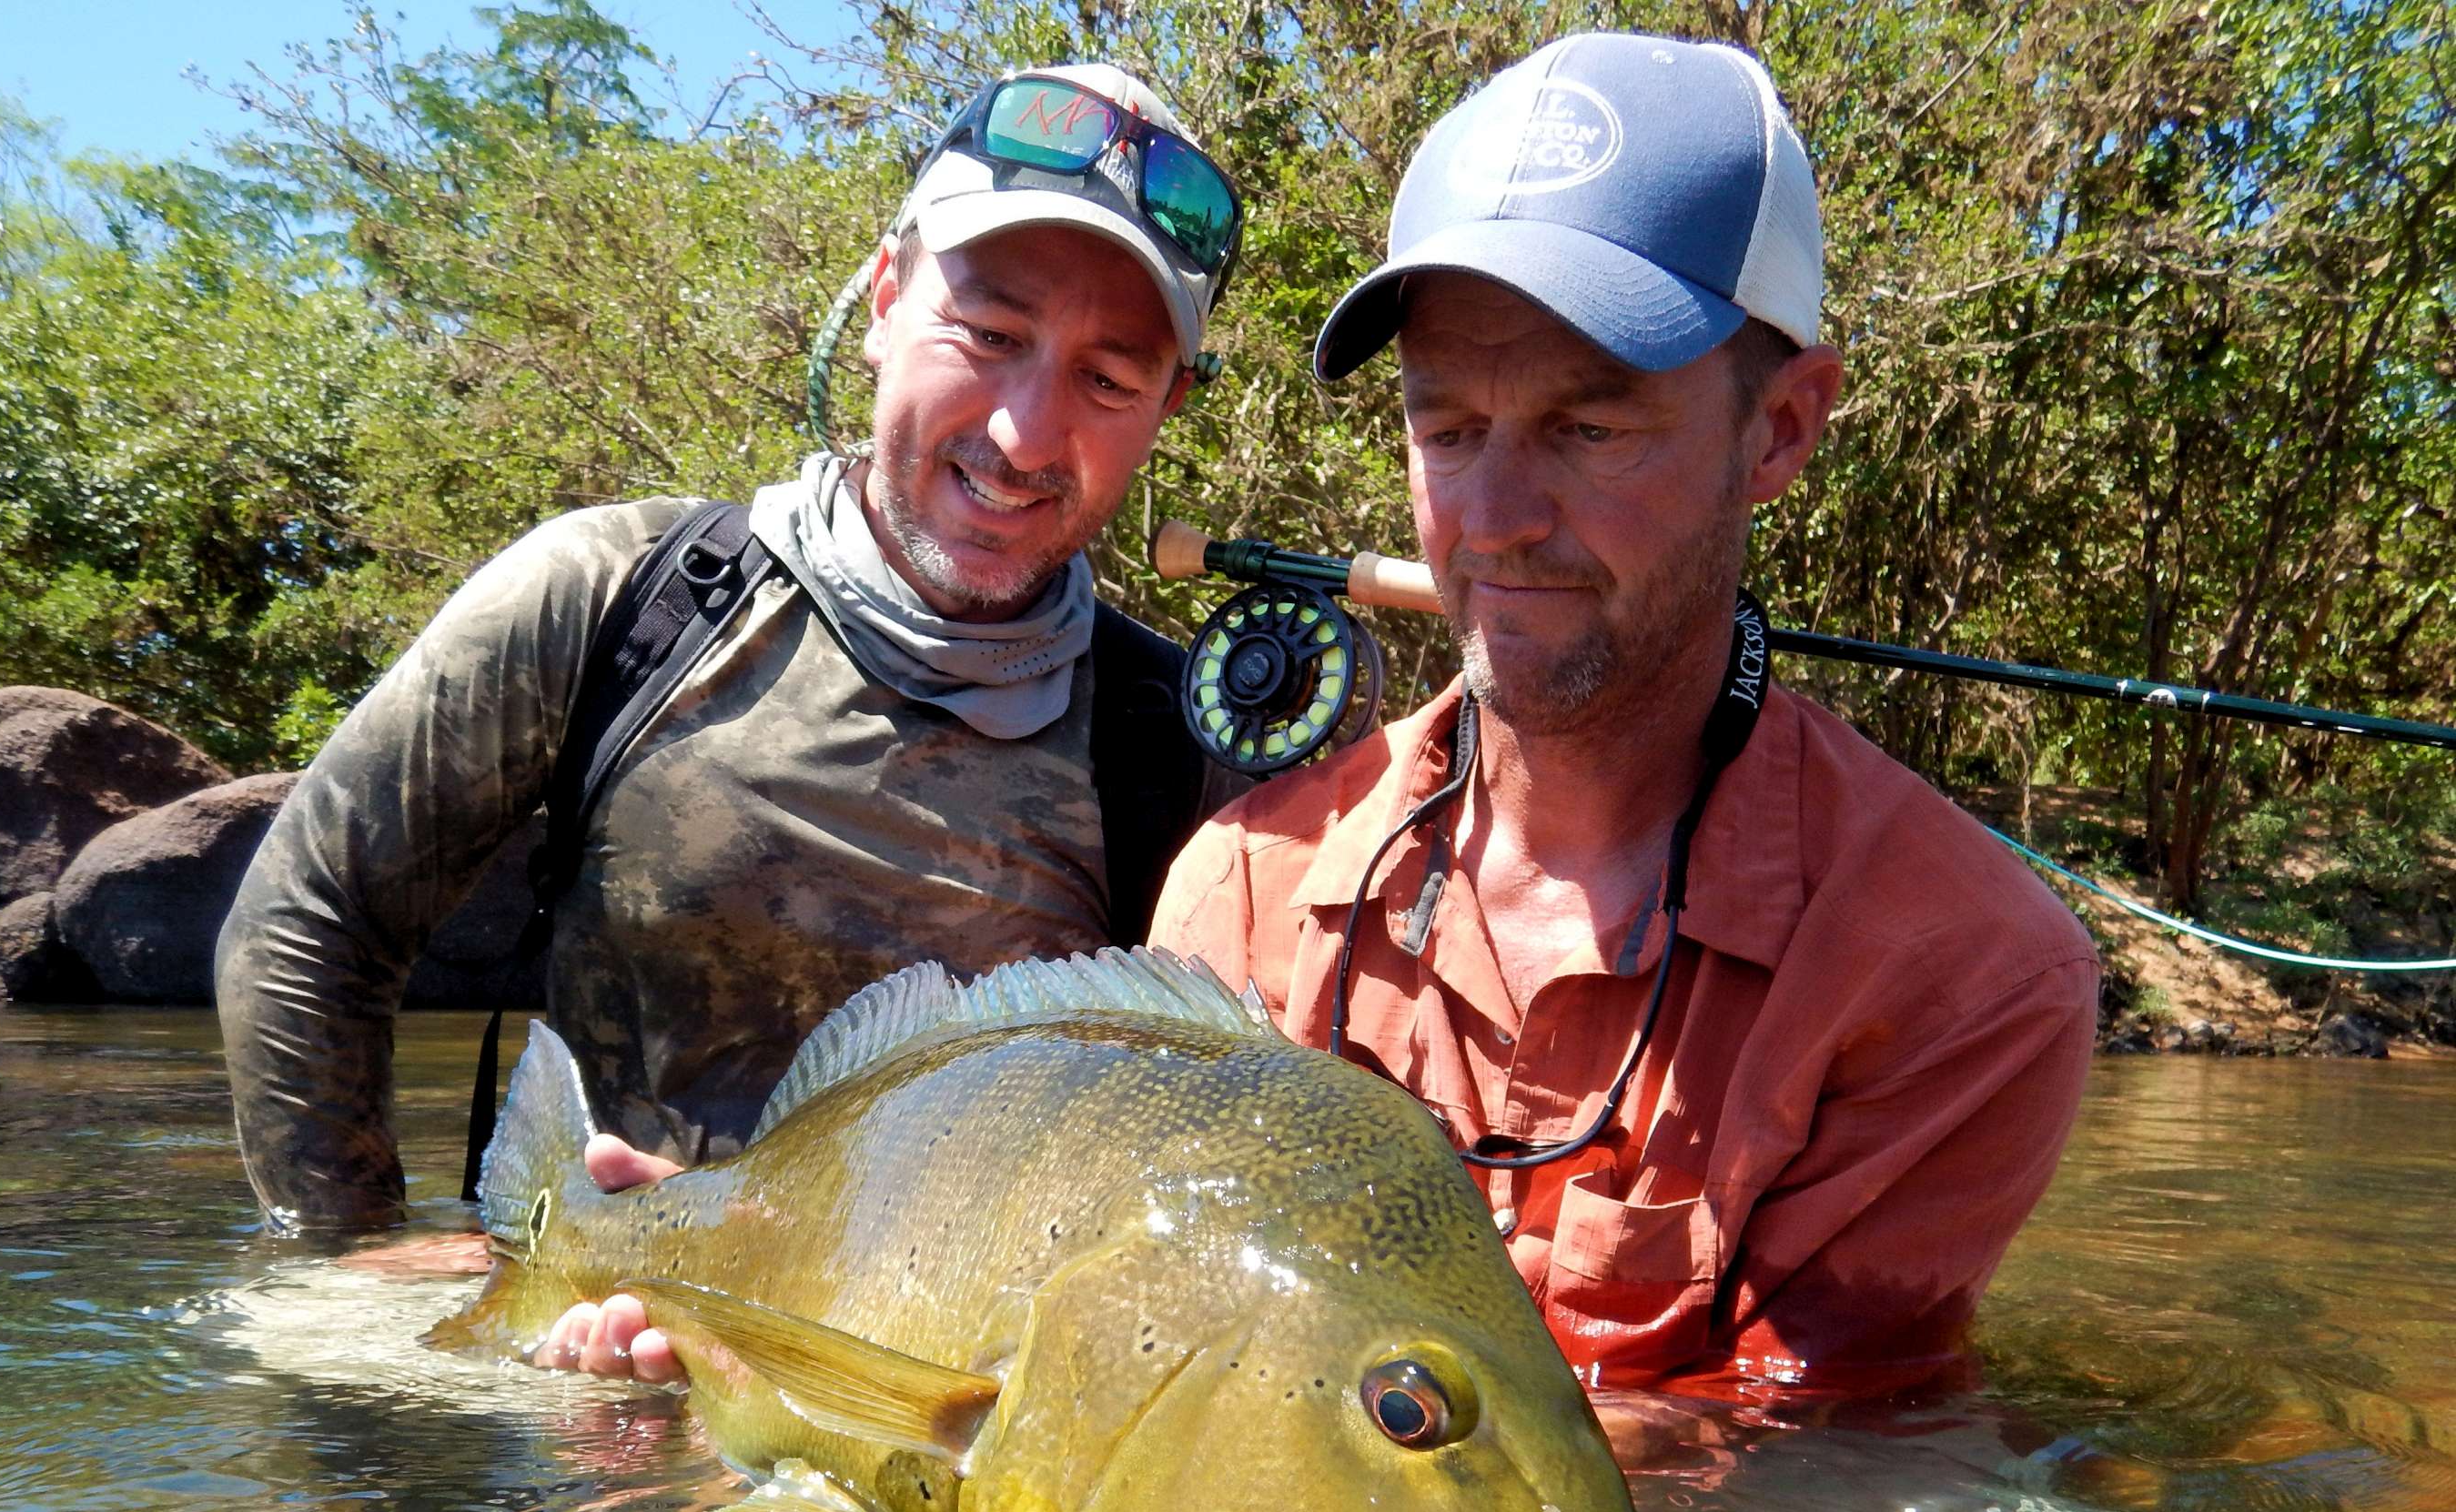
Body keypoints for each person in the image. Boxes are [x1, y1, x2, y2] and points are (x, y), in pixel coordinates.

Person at [1149, 33, 2098, 1411]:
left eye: (1590, 431)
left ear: (1780, 428)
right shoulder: (1239, 893)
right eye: (1449, 428)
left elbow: (1809, 1484)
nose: (1492, 519)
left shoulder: (1967, 982)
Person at [219, 66, 1246, 1275]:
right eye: (991, 335)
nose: (1024, 432)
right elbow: (308, 917)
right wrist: (346, 1253)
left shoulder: (1174, 746)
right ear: (884, 299)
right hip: (582, 1377)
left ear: (1167, 407)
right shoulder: (613, 599)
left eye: (1108, 380)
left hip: (911, 1417)